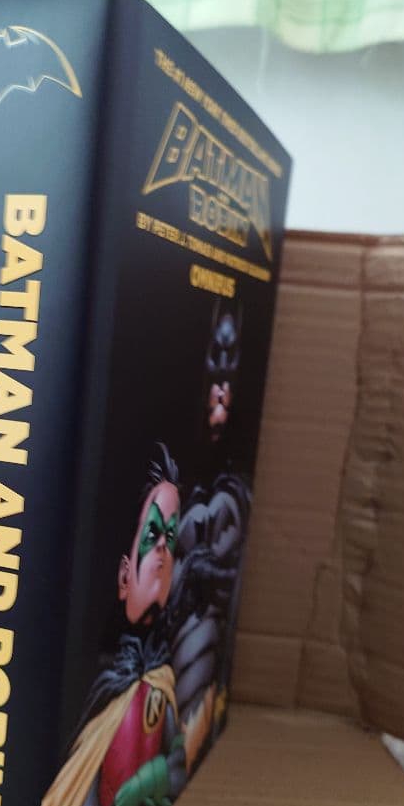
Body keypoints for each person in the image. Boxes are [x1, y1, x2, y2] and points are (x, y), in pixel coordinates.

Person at [30, 444, 187, 806]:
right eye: (152, 535)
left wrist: (150, 784)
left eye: (171, 539)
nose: (162, 549)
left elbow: (178, 764)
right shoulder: (96, 691)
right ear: (124, 576)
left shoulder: (163, 682)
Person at [171, 301, 252, 773]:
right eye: (215, 356)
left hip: (204, 656)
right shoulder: (178, 476)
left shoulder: (233, 490)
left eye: (231, 356)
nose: (222, 377)